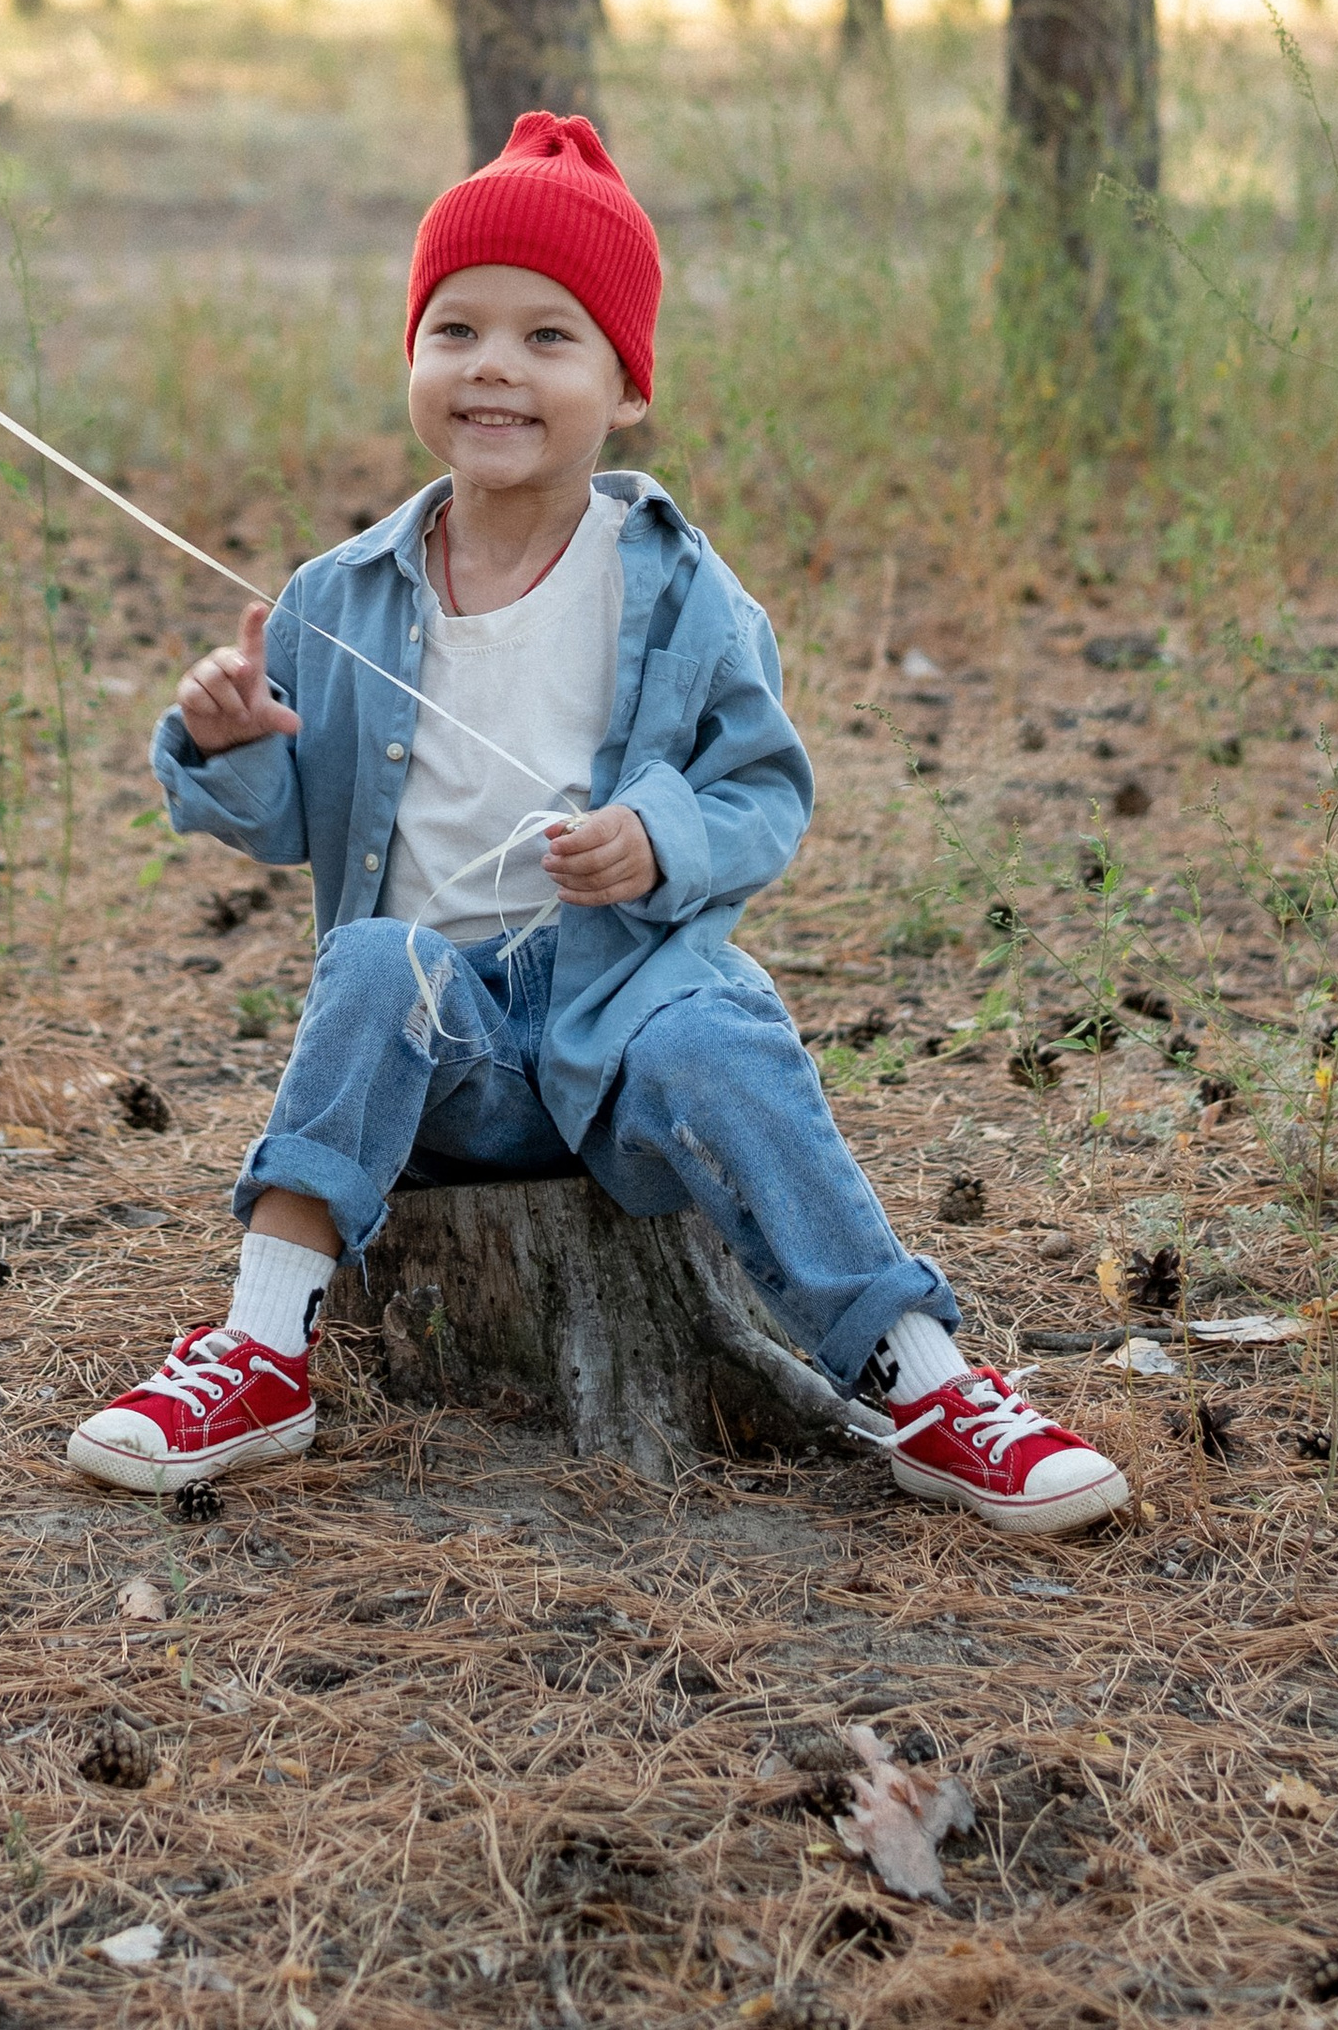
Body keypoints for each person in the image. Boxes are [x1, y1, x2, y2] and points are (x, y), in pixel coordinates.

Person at [66, 111, 1128, 1540]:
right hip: (444, 1055)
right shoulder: (343, 594)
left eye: (548, 337)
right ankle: (260, 1350)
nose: (493, 364)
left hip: (616, 1021)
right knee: (375, 956)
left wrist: (657, 838)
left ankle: (922, 1379)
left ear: (627, 387)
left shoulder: (679, 589)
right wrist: (218, 738)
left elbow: (764, 791)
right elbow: (279, 818)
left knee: (719, 1026)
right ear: (413, 359)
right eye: (456, 327)